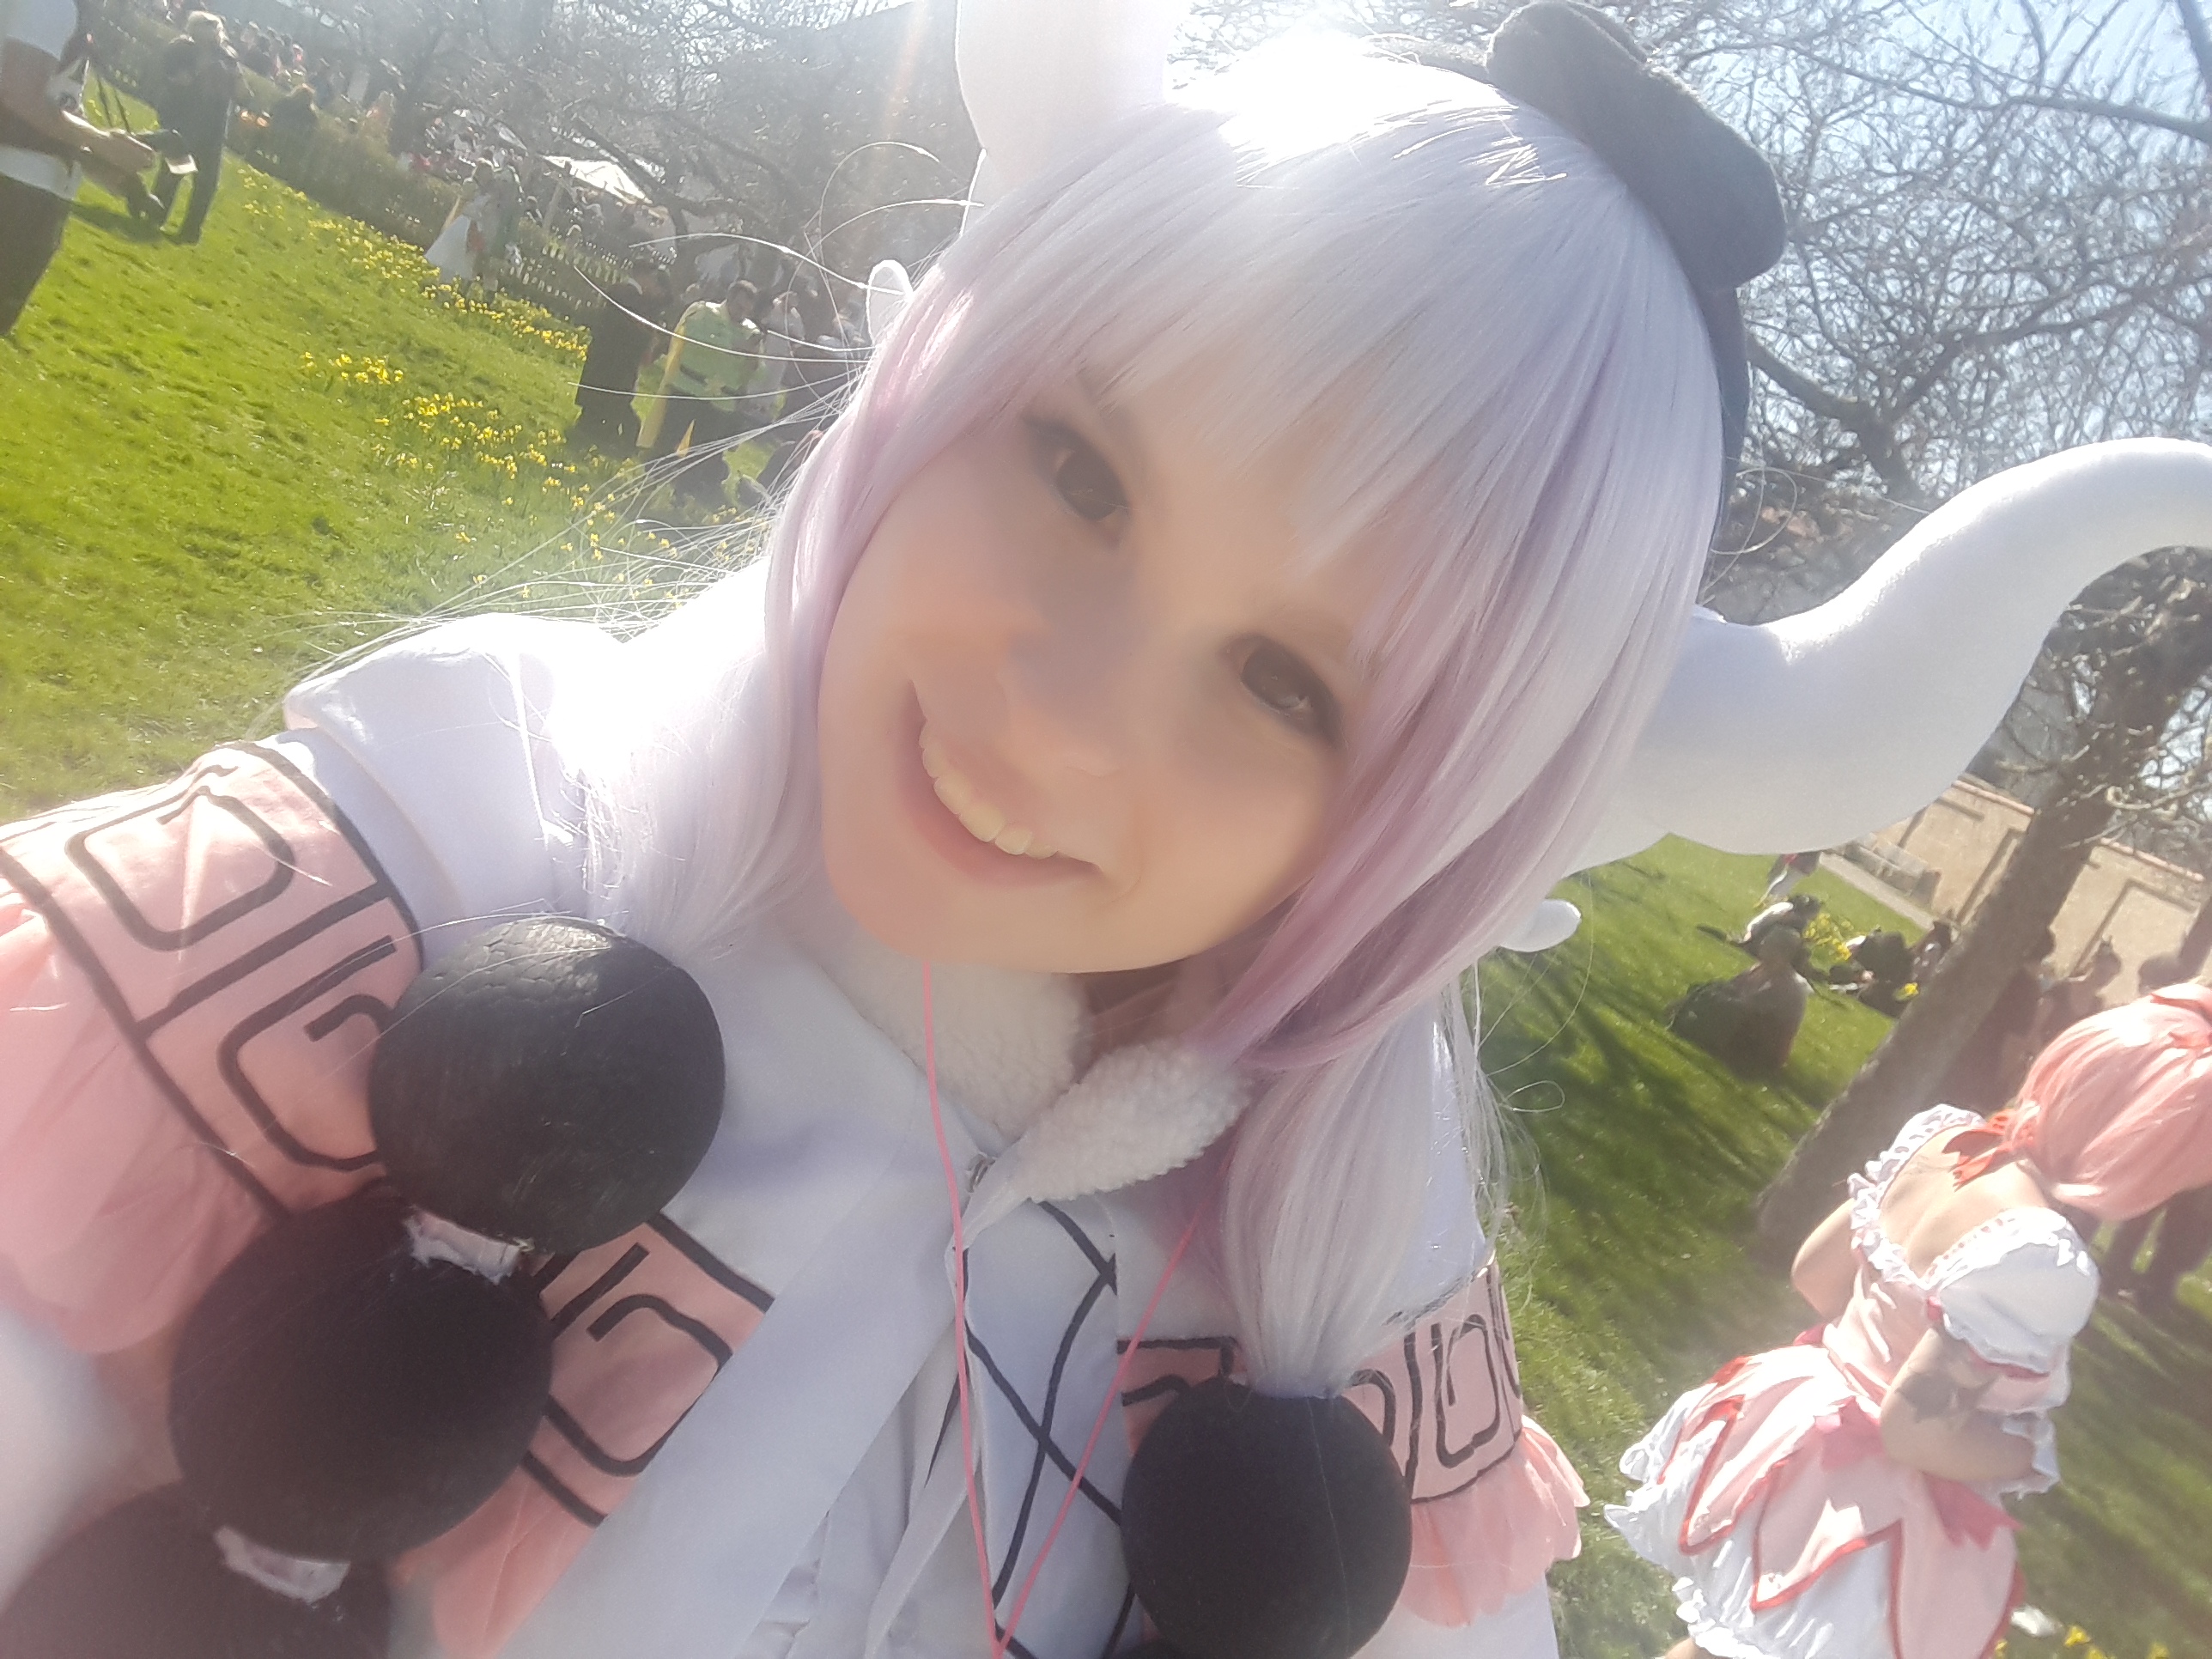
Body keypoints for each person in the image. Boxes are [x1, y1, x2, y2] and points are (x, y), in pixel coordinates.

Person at [4, 4, 2212, 1656]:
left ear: (1442, 828)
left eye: (1290, 687)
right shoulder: (437, 870)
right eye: (1075, 468)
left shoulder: (1330, 1254)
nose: (1055, 724)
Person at [1609, 984, 2212, 1659]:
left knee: (1715, 1642)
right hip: (1865, 1508)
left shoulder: (1944, 1138)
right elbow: (1912, 1428)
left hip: (1792, 1423)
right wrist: (2028, 1452)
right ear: (2143, 1155)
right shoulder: (2041, 1254)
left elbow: (1814, 1275)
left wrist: (1873, 1341)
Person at [0, 0, 153, 332]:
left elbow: (42, 104)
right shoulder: (53, 6)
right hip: (15, 191)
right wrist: (98, 141)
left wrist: (93, 157)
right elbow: (17, 92)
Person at [639, 276, 764, 509]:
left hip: (720, 402)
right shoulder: (703, 312)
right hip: (688, 388)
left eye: (747, 310)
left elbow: (759, 375)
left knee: (700, 452)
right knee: (668, 439)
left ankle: (682, 495)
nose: (742, 314)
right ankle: (649, 485)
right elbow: (693, 339)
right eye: (739, 307)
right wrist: (733, 347)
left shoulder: (752, 333)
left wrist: (753, 359)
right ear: (729, 299)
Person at [1936, 926, 2054, 1112]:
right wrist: (2001, 1080)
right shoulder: (2027, 992)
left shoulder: (1997, 972)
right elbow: (2014, 1043)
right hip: (1982, 1064)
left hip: (1954, 1048)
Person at [1672, 927, 1812, 1078]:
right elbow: (1732, 987)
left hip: (1762, 1049)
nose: (1762, 943)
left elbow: (1751, 1009)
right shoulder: (1760, 969)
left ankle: (1692, 1027)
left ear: (1782, 952)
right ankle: (1685, 1020)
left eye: (1768, 941)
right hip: (1744, 1025)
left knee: (1722, 1005)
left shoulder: (1790, 986)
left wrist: (1719, 998)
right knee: (1707, 991)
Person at [147, 10, 238, 243]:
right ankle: (155, 214)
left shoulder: (226, 57)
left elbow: (235, 88)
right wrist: (177, 80)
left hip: (213, 128)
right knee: (173, 171)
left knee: (205, 184)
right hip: (185, 123)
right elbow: (166, 70)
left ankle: (191, 231)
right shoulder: (182, 49)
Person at [569, 276, 654, 450]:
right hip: (617, 378)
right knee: (615, 413)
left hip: (600, 372)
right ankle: (609, 438)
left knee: (594, 412)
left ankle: (594, 431)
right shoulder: (634, 328)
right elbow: (643, 353)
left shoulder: (607, 315)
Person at [426, 160, 496, 285]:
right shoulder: (471, 184)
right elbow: (464, 203)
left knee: (465, 257)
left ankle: (451, 283)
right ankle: (444, 282)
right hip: (464, 222)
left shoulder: (485, 190)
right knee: (453, 252)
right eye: (487, 172)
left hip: (474, 225)